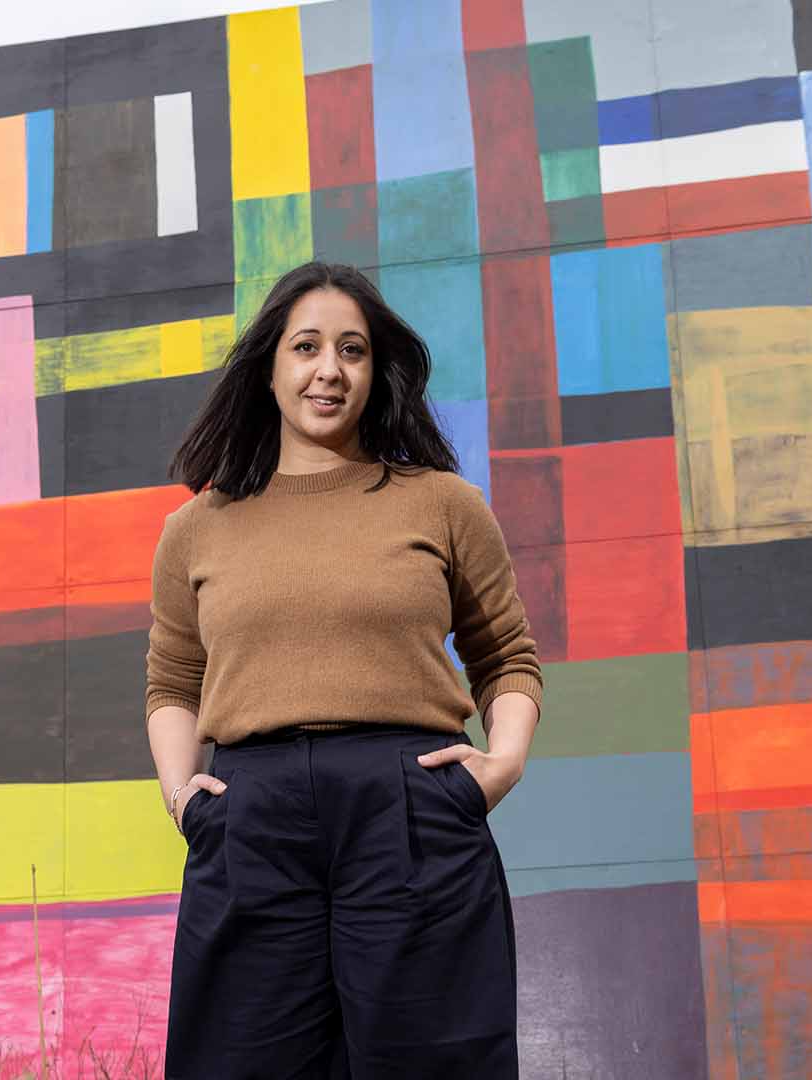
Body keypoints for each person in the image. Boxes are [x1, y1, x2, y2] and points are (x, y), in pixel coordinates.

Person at [145, 261, 544, 1078]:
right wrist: (183, 798)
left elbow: (506, 657)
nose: (330, 370)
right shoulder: (196, 527)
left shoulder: (442, 503)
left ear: (376, 370)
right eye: (307, 347)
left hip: (409, 807)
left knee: (433, 1063)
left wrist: (497, 769)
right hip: (250, 816)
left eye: (353, 350)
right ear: (269, 366)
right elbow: (173, 682)